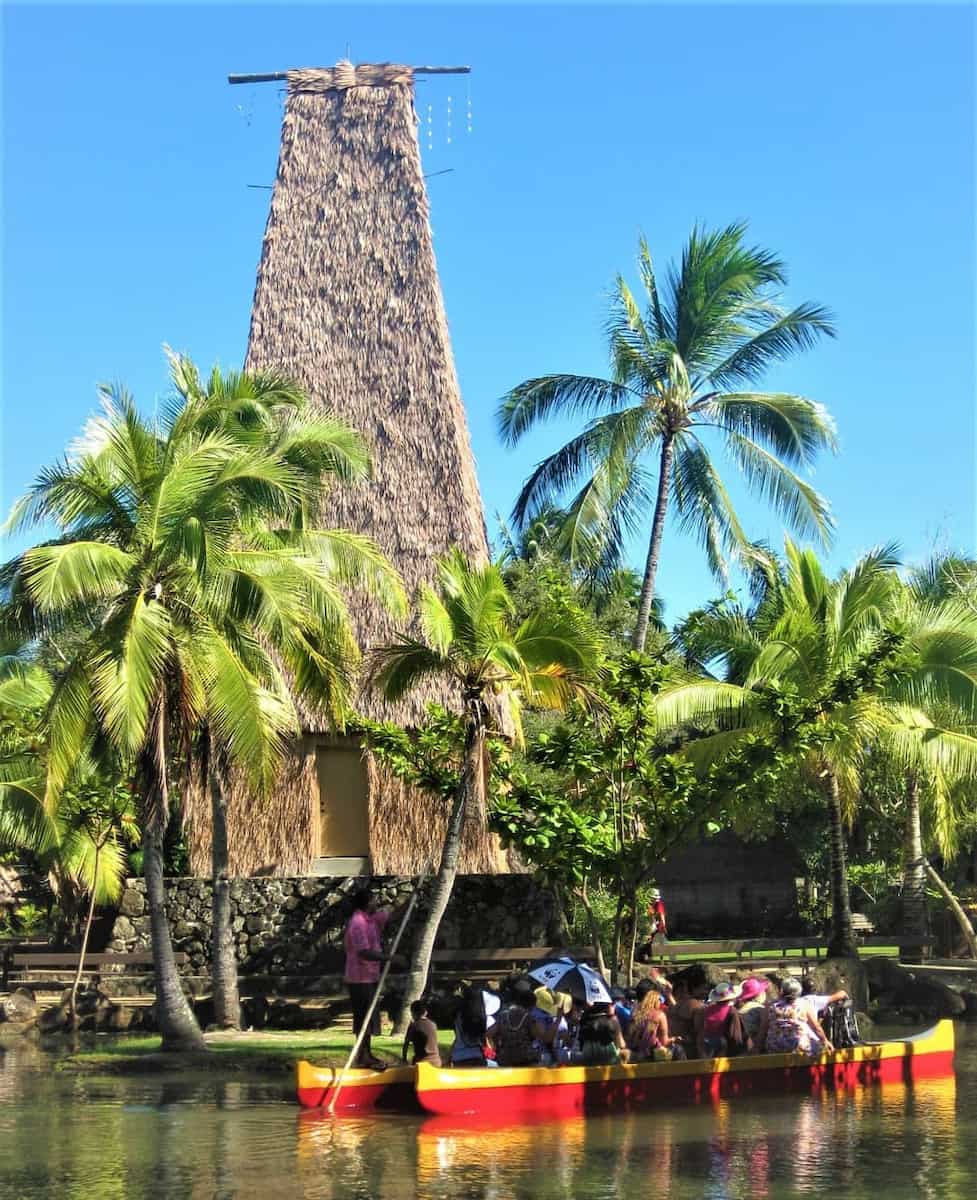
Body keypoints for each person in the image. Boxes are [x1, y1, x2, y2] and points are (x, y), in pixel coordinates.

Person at [343, 888, 396, 1069]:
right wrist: (390, 958)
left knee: (370, 1017)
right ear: (367, 903)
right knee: (363, 1018)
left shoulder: (371, 919)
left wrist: (414, 897)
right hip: (359, 978)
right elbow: (363, 952)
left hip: (370, 977)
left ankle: (366, 1054)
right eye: (374, 900)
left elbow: (391, 915)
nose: (377, 903)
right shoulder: (357, 922)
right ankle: (363, 1055)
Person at [760, 978, 834, 1055]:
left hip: (774, 1047)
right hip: (797, 1046)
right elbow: (817, 1028)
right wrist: (825, 1041)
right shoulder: (804, 1004)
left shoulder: (770, 1006)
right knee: (819, 1047)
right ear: (798, 992)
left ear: (782, 991)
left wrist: (757, 1047)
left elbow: (763, 1028)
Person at [626, 978, 684, 1061]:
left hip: (635, 1056)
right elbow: (664, 1042)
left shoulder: (633, 1013)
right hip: (652, 1058)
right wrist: (674, 1039)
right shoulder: (659, 1015)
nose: (659, 999)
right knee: (679, 1049)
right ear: (653, 996)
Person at [495, 977, 545, 1067]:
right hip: (526, 1060)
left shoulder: (503, 1015)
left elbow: (490, 1033)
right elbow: (540, 1035)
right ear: (532, 1005)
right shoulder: (529, 1018)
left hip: (506, 1059)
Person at [695, 982, 745, 1058]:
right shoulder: (731, 1010)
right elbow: (735, 1036)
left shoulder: (706, 1009)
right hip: (722, 1044)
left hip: (706, 1043)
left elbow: (700, 1029)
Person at [450, 984, 495, 1068]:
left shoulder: (459, 1015)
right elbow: (484, 1040)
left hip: (458, 1056)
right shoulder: (480, 1017)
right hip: (476, 1056)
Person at [532, 987, 572, 1064]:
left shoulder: (560, 1015)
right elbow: (546, 1039)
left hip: (558, 1053)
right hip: (542, 1054)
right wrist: (558, 1020)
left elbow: (566, 1040)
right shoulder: (537, 1015)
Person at [666, 976, 703, 1058]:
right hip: (690, 1051)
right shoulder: (697, 1006)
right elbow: (699, 1032)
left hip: (674, 1049)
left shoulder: (673, 1008)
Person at [403, 998, 442, 1067]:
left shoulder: (414, 1026)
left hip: (422, 1063)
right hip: (437, 1061)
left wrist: (404, 1059)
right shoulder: (433, 1024)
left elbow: (406, 1044)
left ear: (413, 1012)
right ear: (425, 1012)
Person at [735, 977, 771, 1050]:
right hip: (755, 1047)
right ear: (759, 995)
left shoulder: (740, 1010)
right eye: (763, 991)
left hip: (742, 1047)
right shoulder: (760, 1009)